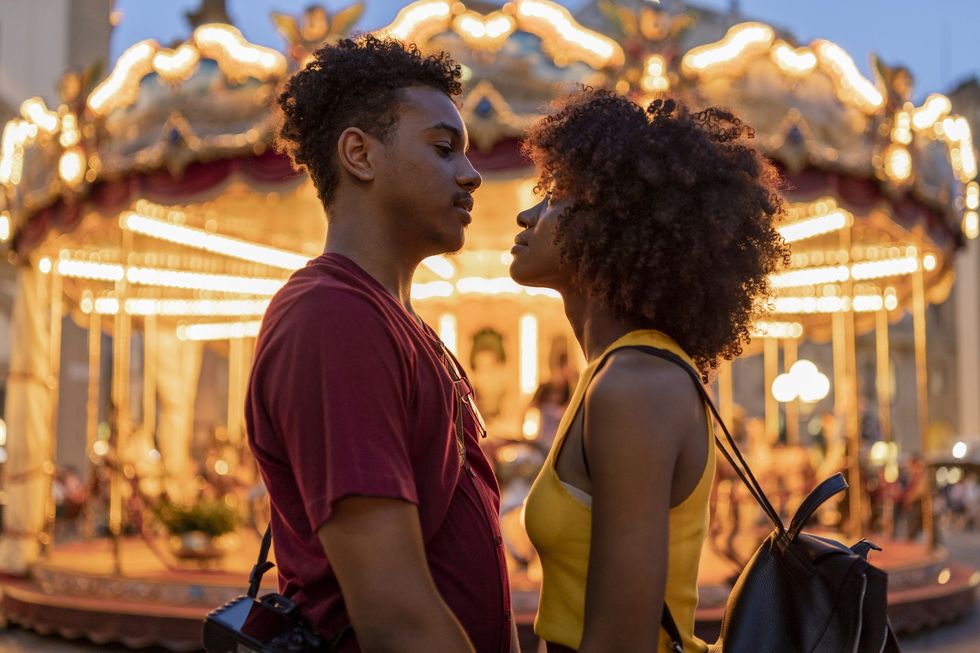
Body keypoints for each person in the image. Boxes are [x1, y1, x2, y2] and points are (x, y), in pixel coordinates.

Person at [246, 36, 516, 652]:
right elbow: (394, 614)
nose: (471, 174)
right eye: (444, 149)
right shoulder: (332, 316)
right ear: (360, 155)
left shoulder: (399, 322)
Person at [511, 89, 788, 652]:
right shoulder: (613, 374)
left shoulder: (636, 384)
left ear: (613, 224)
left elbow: (621, 642)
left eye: (556, 197)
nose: (527, 213)